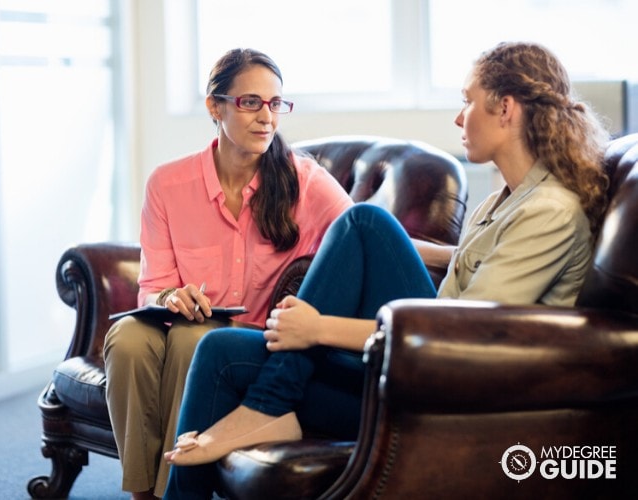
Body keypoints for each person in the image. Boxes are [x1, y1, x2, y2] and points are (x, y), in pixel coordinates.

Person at [162, 41, 611, 499]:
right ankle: (252, 422)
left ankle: (268, 404)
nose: (459, 118)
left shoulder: (549, 211)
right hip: (414, 364)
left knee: (364, 220)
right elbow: (472, 265)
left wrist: (319, 329)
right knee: (220, 348)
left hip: (448, 393)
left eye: (467, 101)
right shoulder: (507, 200)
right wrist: (390, 247)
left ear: (506, 108)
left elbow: (462, 333)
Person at [102, 48, 352, 500]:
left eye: (276, 104)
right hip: (177, 323)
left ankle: (173, 489)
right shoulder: (167, 183)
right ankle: (142, 492)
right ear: (214, 107)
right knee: (127, 342)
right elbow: (152, 288)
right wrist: (170, 298)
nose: (267, 117)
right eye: (250, 102)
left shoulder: (305, 182)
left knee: (194, 341)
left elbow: (361, 238)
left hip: (247, 340)